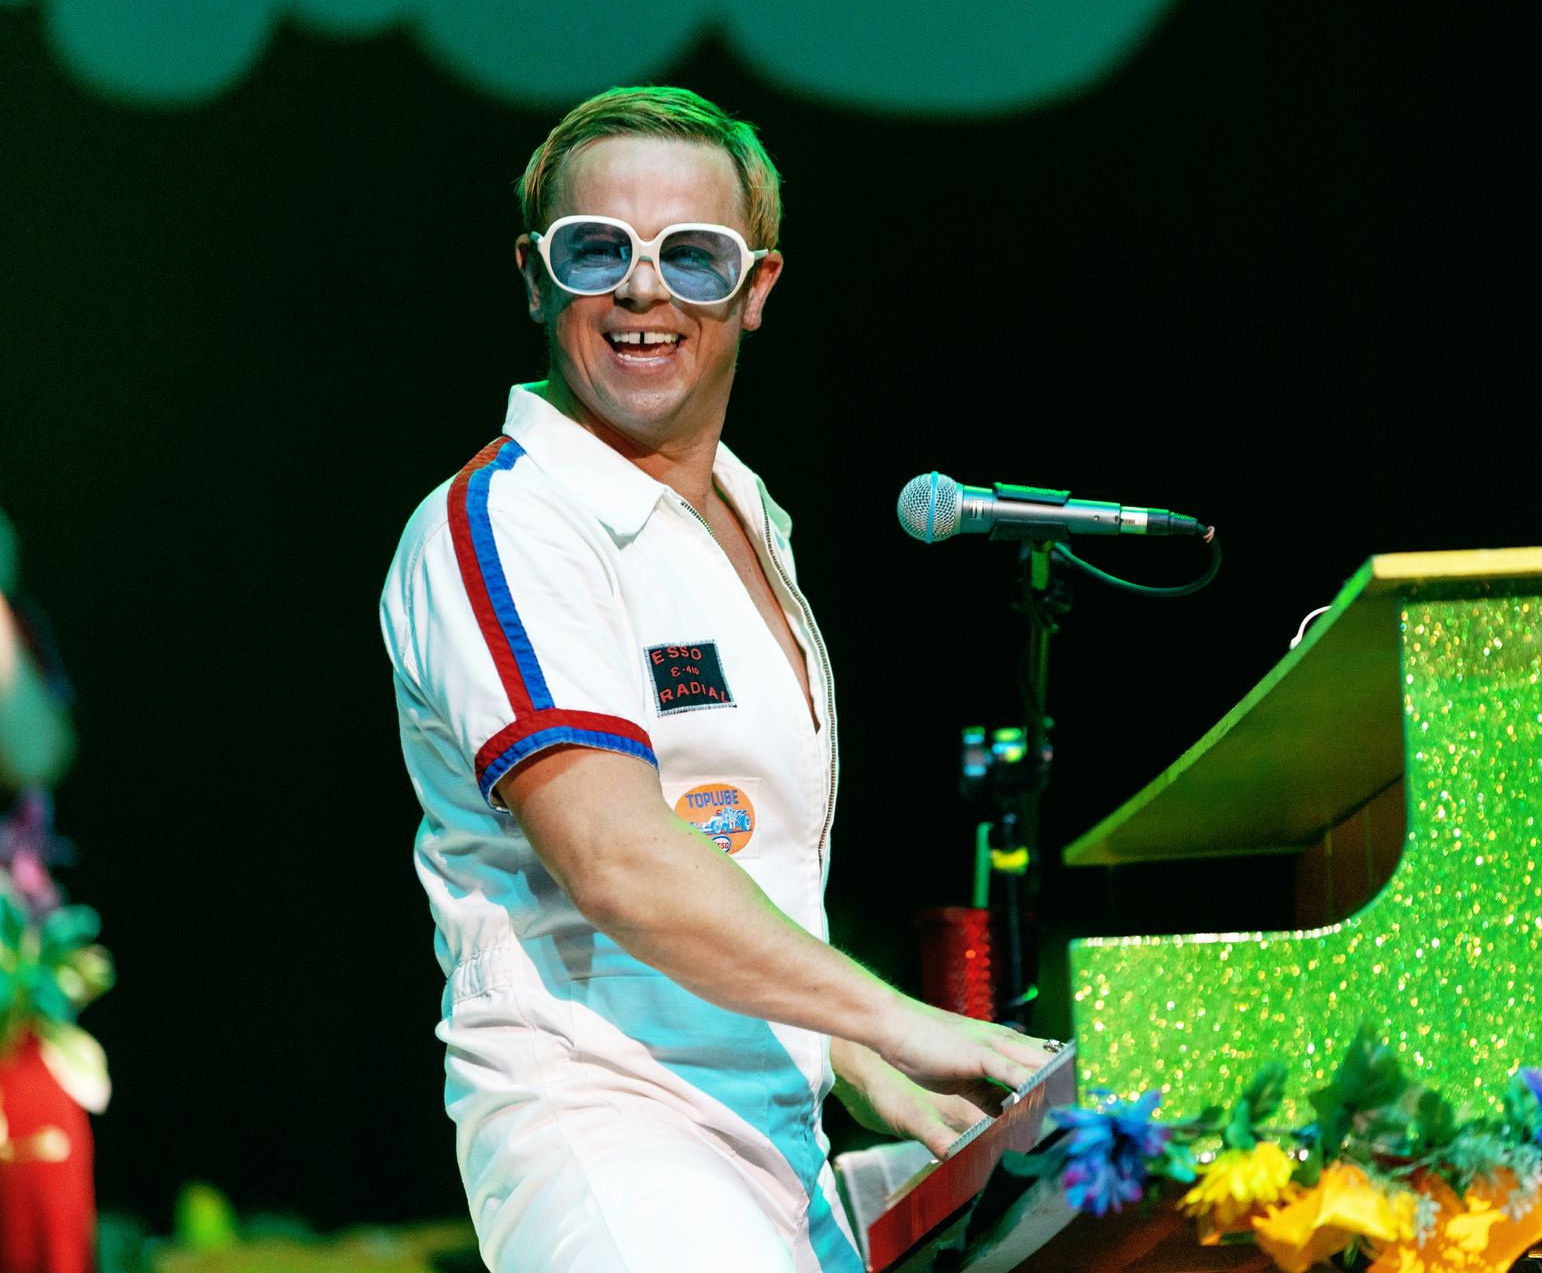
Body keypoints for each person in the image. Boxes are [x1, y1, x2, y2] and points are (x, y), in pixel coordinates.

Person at [379, 86, 1056, 1273]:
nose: (644, 291)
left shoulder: (742, 511)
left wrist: (860, 1061)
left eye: (692, 255)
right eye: (598, 250)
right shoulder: (508, 520)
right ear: (535, 278)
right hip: (613, 1139)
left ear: (757, 289)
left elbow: (738, 871)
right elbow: (621, 861)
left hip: (773, 1145)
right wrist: (905, 1019)